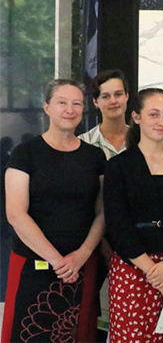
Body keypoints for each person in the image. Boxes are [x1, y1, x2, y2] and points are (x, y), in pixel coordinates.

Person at [2, 79, 106, 342]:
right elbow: (15, 213)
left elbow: (102, 213)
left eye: (76, 104)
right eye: (62, 102)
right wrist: (57, 260)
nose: (70, 109)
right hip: (33, 263)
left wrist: (80, 256)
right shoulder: (25, 153)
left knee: (77, 334)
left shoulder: (94, 157)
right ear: (47, 107)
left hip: (81, 264)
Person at [105, 88, 163, 342]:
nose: (162, 122)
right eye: (154, 114)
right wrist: (153, 272)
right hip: (133, 268)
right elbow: (117, 224)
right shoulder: (119, 166)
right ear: (136, 117)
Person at [78, 69, 131, 341]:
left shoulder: (148, 140)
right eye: (106, 96)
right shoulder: (83, 145)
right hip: (93, 245)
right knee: (95, 320)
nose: (113, 101)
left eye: (118, 94)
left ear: (127, 97)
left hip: (138, 244)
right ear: (95, 102)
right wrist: (103, 247)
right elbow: (83, 204)